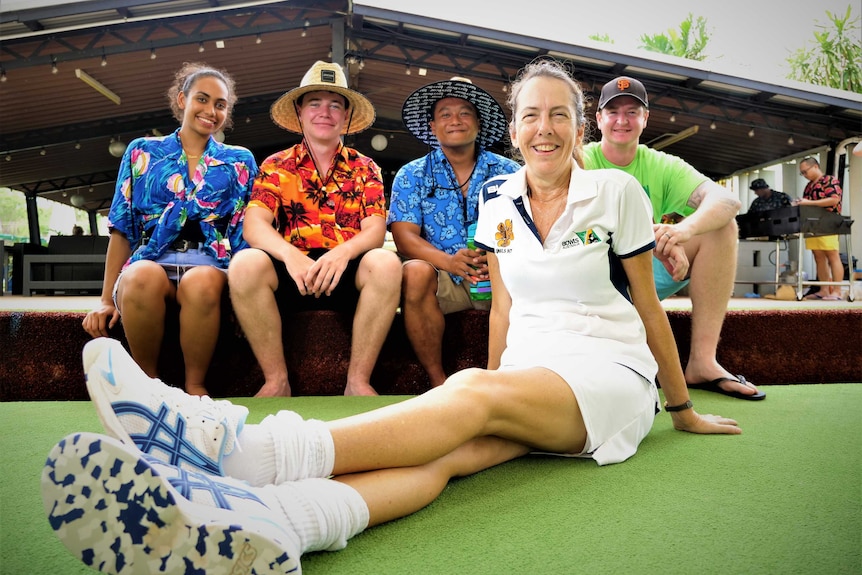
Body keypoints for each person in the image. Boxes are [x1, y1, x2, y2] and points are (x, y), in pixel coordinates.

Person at [44, 59, 741, 575]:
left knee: (464, 392)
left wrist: (680, 407)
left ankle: (245, 453)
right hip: (531, 376)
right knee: (444, 453)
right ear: (517, 125)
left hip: (607, 376)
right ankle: (285, 523)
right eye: (532, 114)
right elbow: (502, 306)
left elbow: (647, 308)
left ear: (580, 126)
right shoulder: (499, 207)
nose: (546, 128)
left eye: (560, 114)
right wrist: (497, 390)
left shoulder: (616, 189)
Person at [582, 76, 764, 401]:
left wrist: (680, 232)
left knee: (722, 227)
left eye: (632, 111)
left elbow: (726, 201)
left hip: (644, 278)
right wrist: (654, 239)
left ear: (645, 118)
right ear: (598, 119)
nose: (622, 120)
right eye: (613, 112)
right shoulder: (581, 160)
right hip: (593, 280)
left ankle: (703, 362)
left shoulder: (661, 164)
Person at [81, 63, 257, 397]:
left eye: (220, 105)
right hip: (152, 258)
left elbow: (244, 232)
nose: (210, 111)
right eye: (202, 99)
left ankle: (195, 388)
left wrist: (242, 297)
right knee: (140, 277)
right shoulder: (142, 151)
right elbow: (122, 228)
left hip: (210, 263)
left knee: (201, 281)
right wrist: (105, 300)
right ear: (182, 99)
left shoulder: (240, 161)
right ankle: (147, 387)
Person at [227, 61, 401, 397]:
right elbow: (254, 224)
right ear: (300, 111)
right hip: (294, 274)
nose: (326, 112)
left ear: (347, 116)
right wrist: (290, 256)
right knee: (245, 264)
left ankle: (357, 381)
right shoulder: (276, 165)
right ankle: (276, 381)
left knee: (387, 263)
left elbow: (375, 230)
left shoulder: (366, 167)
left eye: (336, 105)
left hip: (346, 272)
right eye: (315, 103)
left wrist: (342, 254)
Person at [388, 76, 520, 387]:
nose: (455, 120)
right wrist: (449, 262)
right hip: (445, 279)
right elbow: (404, 237)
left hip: (501, 276)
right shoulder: (412, 173)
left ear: (478, 122)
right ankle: (437, 381)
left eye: (464, 112)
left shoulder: (510, 172)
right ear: (432, 126)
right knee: (415, 272)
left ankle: (507, 381)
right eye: (445, 114)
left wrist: (497, 260)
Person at [794, 156, 845, 300]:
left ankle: (837, 291)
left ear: (815, 166)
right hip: (812, 224)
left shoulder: (829, 180)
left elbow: (834, 199)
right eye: (802, 173)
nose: (804, 175)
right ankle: (824, 290)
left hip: (828, 221)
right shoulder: (809, 185)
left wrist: (808, 203)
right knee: (818, 257)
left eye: (805, 171)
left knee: (832, 255)